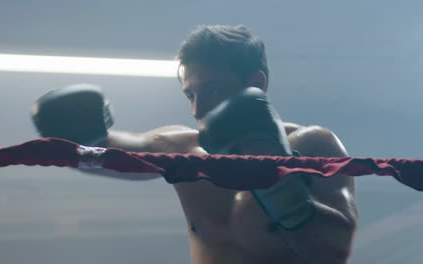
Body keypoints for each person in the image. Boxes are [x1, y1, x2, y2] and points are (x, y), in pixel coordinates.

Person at [32, 25, 358, 264]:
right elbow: (104, 150)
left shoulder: (313, 144)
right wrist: (78, 133)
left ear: (256, 84)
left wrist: (278, 182)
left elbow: (334, 251)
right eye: (190, 94)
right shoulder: (184, 152)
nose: (197, 110)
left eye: (213, 91)